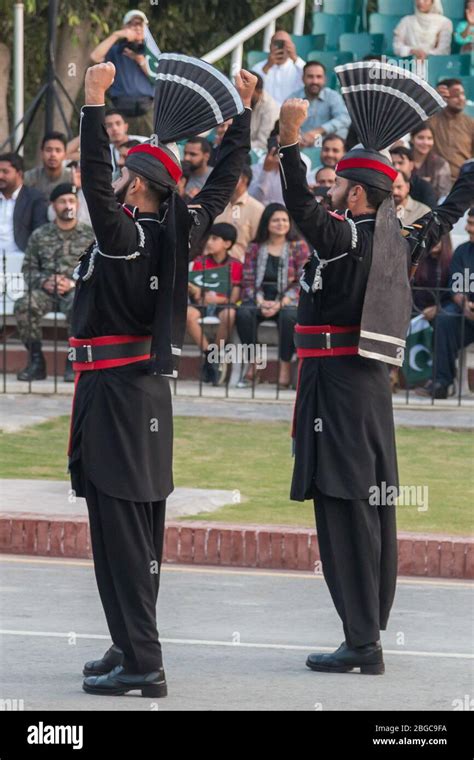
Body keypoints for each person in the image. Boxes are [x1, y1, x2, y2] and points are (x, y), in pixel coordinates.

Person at [277, 63, 473, 675]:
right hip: (362, 391)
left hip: (336, 388)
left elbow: (297, 203)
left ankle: (362, 642)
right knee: (366, 505)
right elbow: (449, 207)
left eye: (336, 183)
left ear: (356, 195)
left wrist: (288, 142)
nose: (328, 188)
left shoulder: (346, 237)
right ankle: (364, 632)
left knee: (344, 509)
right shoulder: (400, 238)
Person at [73, 61, 256, 698]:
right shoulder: (182, 227)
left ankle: (144, 662)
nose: (118, 180)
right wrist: (241, 120)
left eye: (128, 174)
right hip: (142, 395)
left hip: (118, 397)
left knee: (119, 530)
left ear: (140, 186)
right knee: (138, 526)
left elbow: (94, 184)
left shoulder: (126, 232)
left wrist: (94, 104)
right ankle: (128, 643)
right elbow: (223, 181)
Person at [14, 184, 93, 383]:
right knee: (24, 305)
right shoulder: (40, 235)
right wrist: (45, 281)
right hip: (46, 291)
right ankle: (36, 362)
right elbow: (28, 269)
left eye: (71, 201)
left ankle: (72, 362)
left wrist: (74, 283)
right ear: (53, 206)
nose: (68, 205)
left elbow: (97, 270)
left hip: (75, 291)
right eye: (62, 201)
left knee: (80, 306)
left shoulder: (90, 235)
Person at [236, 204, 310, 388]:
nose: (281, 224)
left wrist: (280, 303)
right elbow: (248, 280)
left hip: (287, 300)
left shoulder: (298, 246)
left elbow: (303, 279)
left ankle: (284, 366)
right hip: (259, 298)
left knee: (289, 316)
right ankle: (254, 363)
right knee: (243, 313)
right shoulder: (254, 247)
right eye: (276, 220)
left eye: (284, 220)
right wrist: (261, 301)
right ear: (267, 223)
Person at [417, 208, 474, 398]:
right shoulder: (464, 251)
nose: (467, 228)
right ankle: (442, 382)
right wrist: (465, 304)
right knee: (444, 318)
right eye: (468, 223)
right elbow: (456, 287)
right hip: (466, 314)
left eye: (472, 224)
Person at [188, 223, 243, 385]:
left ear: (227, 243)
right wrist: (197, 293)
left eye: (214, 239)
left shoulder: (236, 265)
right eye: (209, 238)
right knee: (188, 315)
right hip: (202, 305)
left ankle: (216, 355)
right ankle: (210, 354)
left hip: (223, 306)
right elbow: (195, 293)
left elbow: (235, 297)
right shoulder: (200, 262)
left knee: (230, 314)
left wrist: (219, 300)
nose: (209, 242)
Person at [90, 9, 155, 135]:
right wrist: (116, 35)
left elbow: (158, 77)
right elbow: (94, 57)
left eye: (140, 25)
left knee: (153, 148)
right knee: (121, 148)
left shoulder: (151, 52)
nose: (137, 28)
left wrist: (140, 60)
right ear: (125, 28)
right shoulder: (116, 51)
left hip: (147, 109)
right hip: (120, 111)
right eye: (132, 24)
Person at [288, 61, 351, 145]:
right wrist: (298, 138)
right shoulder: (293, 99)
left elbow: (345, 118)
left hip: (327, 147)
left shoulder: (332, 96)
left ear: (324, 79)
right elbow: (286, 124)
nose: (315, 81)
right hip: (300, 146)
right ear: (303, 78)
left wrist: (319, 130)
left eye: (319, 77)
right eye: (310, 77)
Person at [249, 123, 311, 205]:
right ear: (270, 145)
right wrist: (266, 171)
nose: (280, 151)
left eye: (284, 147)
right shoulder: (255, 170)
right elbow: (255, 199)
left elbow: (300, 201)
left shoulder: (301, 169)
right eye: (278, 145)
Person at [0, 153, 47, 257]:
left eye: (5, 172)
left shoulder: (34, 198)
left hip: (20, 258)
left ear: (19, 174)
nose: (0, 176)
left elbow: (40, 233)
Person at [214, 165, 265, 262]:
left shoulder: (257, 209)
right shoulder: (216, 204)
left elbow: (259, 244)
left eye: (230, 176)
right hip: (211, 265)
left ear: (244, 180)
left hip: (242, 267)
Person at [429, 79, 474, 182]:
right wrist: (432, 100)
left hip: (463, 182)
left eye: (463, 94)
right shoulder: (431, 120)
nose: (461, 98)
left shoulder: (470, 123)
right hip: (435, 181)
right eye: (456, 95)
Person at [252, 30, 305, 105]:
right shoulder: (258, 67)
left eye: (285, 43)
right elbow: (253, 88)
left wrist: (294, 57)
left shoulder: (298, 66)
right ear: (270, 46)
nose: (281, 47)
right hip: (266, 113)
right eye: (277, 43)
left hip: (290, 111)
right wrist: (267, 66)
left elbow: (309, 75)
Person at [24, 132, 73, 201]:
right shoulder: (29, 177)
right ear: (42, 153)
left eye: (58, 150)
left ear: (65, 154)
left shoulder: (72, 177)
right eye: (48, 150)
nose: (53, 154)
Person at [410, 123, 452, 201]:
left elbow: (444, 194)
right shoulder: (403, 159)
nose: (425, 142)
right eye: (420, 138)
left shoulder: (440, 164)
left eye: (429, 138)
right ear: (412, 139)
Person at [249, 72, 280, 153]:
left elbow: (263, 144)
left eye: (247, 90)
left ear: (259, 92)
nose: (242, 93)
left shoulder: (270, 108)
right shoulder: (240, 100)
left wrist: (235, 145)